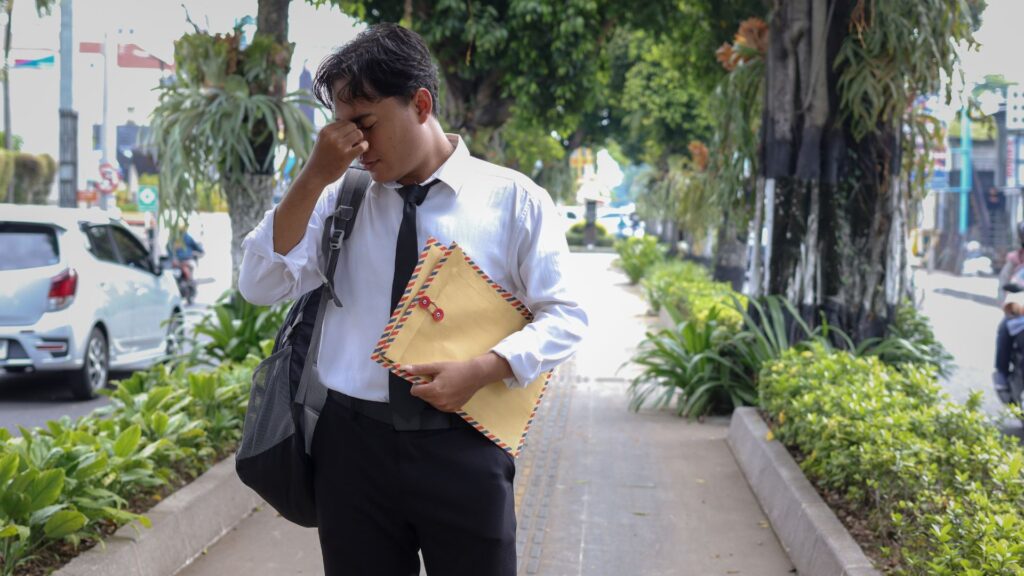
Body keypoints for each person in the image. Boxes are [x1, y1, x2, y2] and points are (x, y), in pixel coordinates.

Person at [237, 24, 587, 576]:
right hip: (351, 450)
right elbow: (259, 284)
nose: (353, 144)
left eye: (365, 124)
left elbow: (566, 315)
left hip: (464, 446)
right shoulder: (339, 197)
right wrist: (312, 176)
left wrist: (482, 368)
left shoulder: (513, 200)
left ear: (420, 104)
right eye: (341, 127)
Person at [993, 221, 1024, 401]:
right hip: (1018, 314)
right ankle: (1002, 374)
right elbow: (1003, 285)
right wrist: (1006, 304)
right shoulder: (1014, 260)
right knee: (1004, 329)